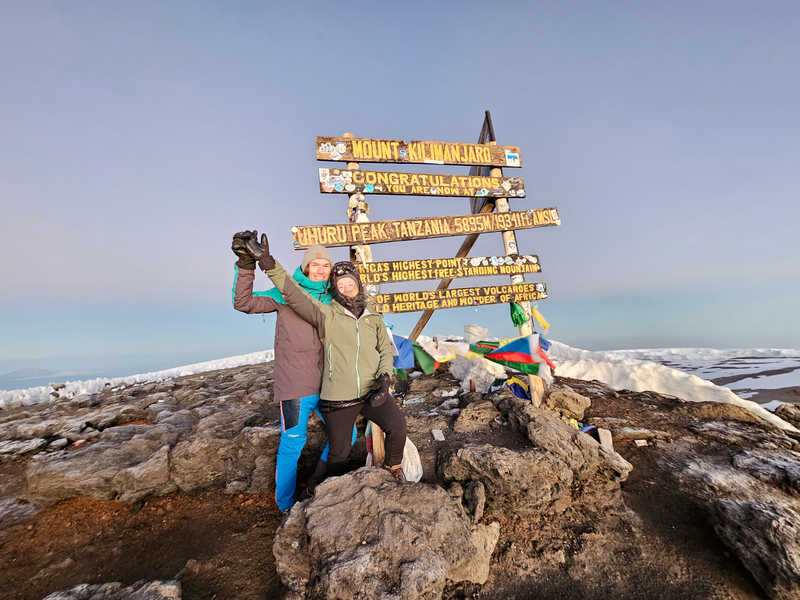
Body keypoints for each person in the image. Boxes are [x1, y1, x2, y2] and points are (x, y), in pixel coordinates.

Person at [243, 231, 408, 484]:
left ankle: (389, 471)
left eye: (350, 284)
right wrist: (265, 263)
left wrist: (385, 377)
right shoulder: (324, 311)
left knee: (387, 429)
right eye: (340, 286)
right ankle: (305, 495)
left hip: (358, 387)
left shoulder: (367, 313)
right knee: (317, 450)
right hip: (321, 392)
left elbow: (384, 349)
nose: (346, 289)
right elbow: (290, 294)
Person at [231, 232, 353, 511]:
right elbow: (244, 302)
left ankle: (316, 486)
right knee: (292, 445)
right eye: (315, 264)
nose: (320, 270)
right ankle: (285, 505)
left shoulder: (336, 298)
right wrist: (246, 265)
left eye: (326, 265)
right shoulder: (284, 293)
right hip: (296, 385)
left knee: (348, 437)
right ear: (306, 266)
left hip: (332, 385)